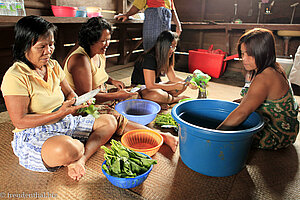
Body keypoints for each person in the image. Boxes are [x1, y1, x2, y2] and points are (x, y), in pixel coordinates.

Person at [64, 17, 178, 152]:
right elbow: (88, 97)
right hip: (85, 106)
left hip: (102, 93)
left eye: (108, 39)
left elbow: (99, 75)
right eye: (103, 40)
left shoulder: (99, 53)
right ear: (91, 40)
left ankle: (122, 117)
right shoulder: (80, 59)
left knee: (134, 94)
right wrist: (117, 95)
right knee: (117, 119)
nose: (107, 43)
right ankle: (162, 136)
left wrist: (112, 81)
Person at [217, 28, 299, 150]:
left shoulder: (265, 77)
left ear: (263, 52)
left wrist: (215, 134)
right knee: (235, 108)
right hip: (290, 130)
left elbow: (242, 112)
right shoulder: (273, 67)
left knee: (235, 128)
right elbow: (256, 98)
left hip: (278, 133)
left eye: (250, 54)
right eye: (243, 53)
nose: (244, 59)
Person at [131, 30, 197, 108]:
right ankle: (175, 99)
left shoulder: (169, 55)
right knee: (156, 95)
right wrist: (174, 87)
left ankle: (164, 100)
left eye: (174, 47)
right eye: (171, 46)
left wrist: (189, 83)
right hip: (141, 88)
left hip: (157, 86)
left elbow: (173, 78)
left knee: (183, 85)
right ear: (164, 46)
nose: (173, 50)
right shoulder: (149, 58)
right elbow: (150, 86)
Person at [115, 0, 182, 51]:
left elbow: (172, 9)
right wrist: (127, 15)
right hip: (154, 15)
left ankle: (160, 67)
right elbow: (138, 4)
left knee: (164, 46)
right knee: (152, 46)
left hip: (166, 19)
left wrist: (178, 24)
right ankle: (150, 68)